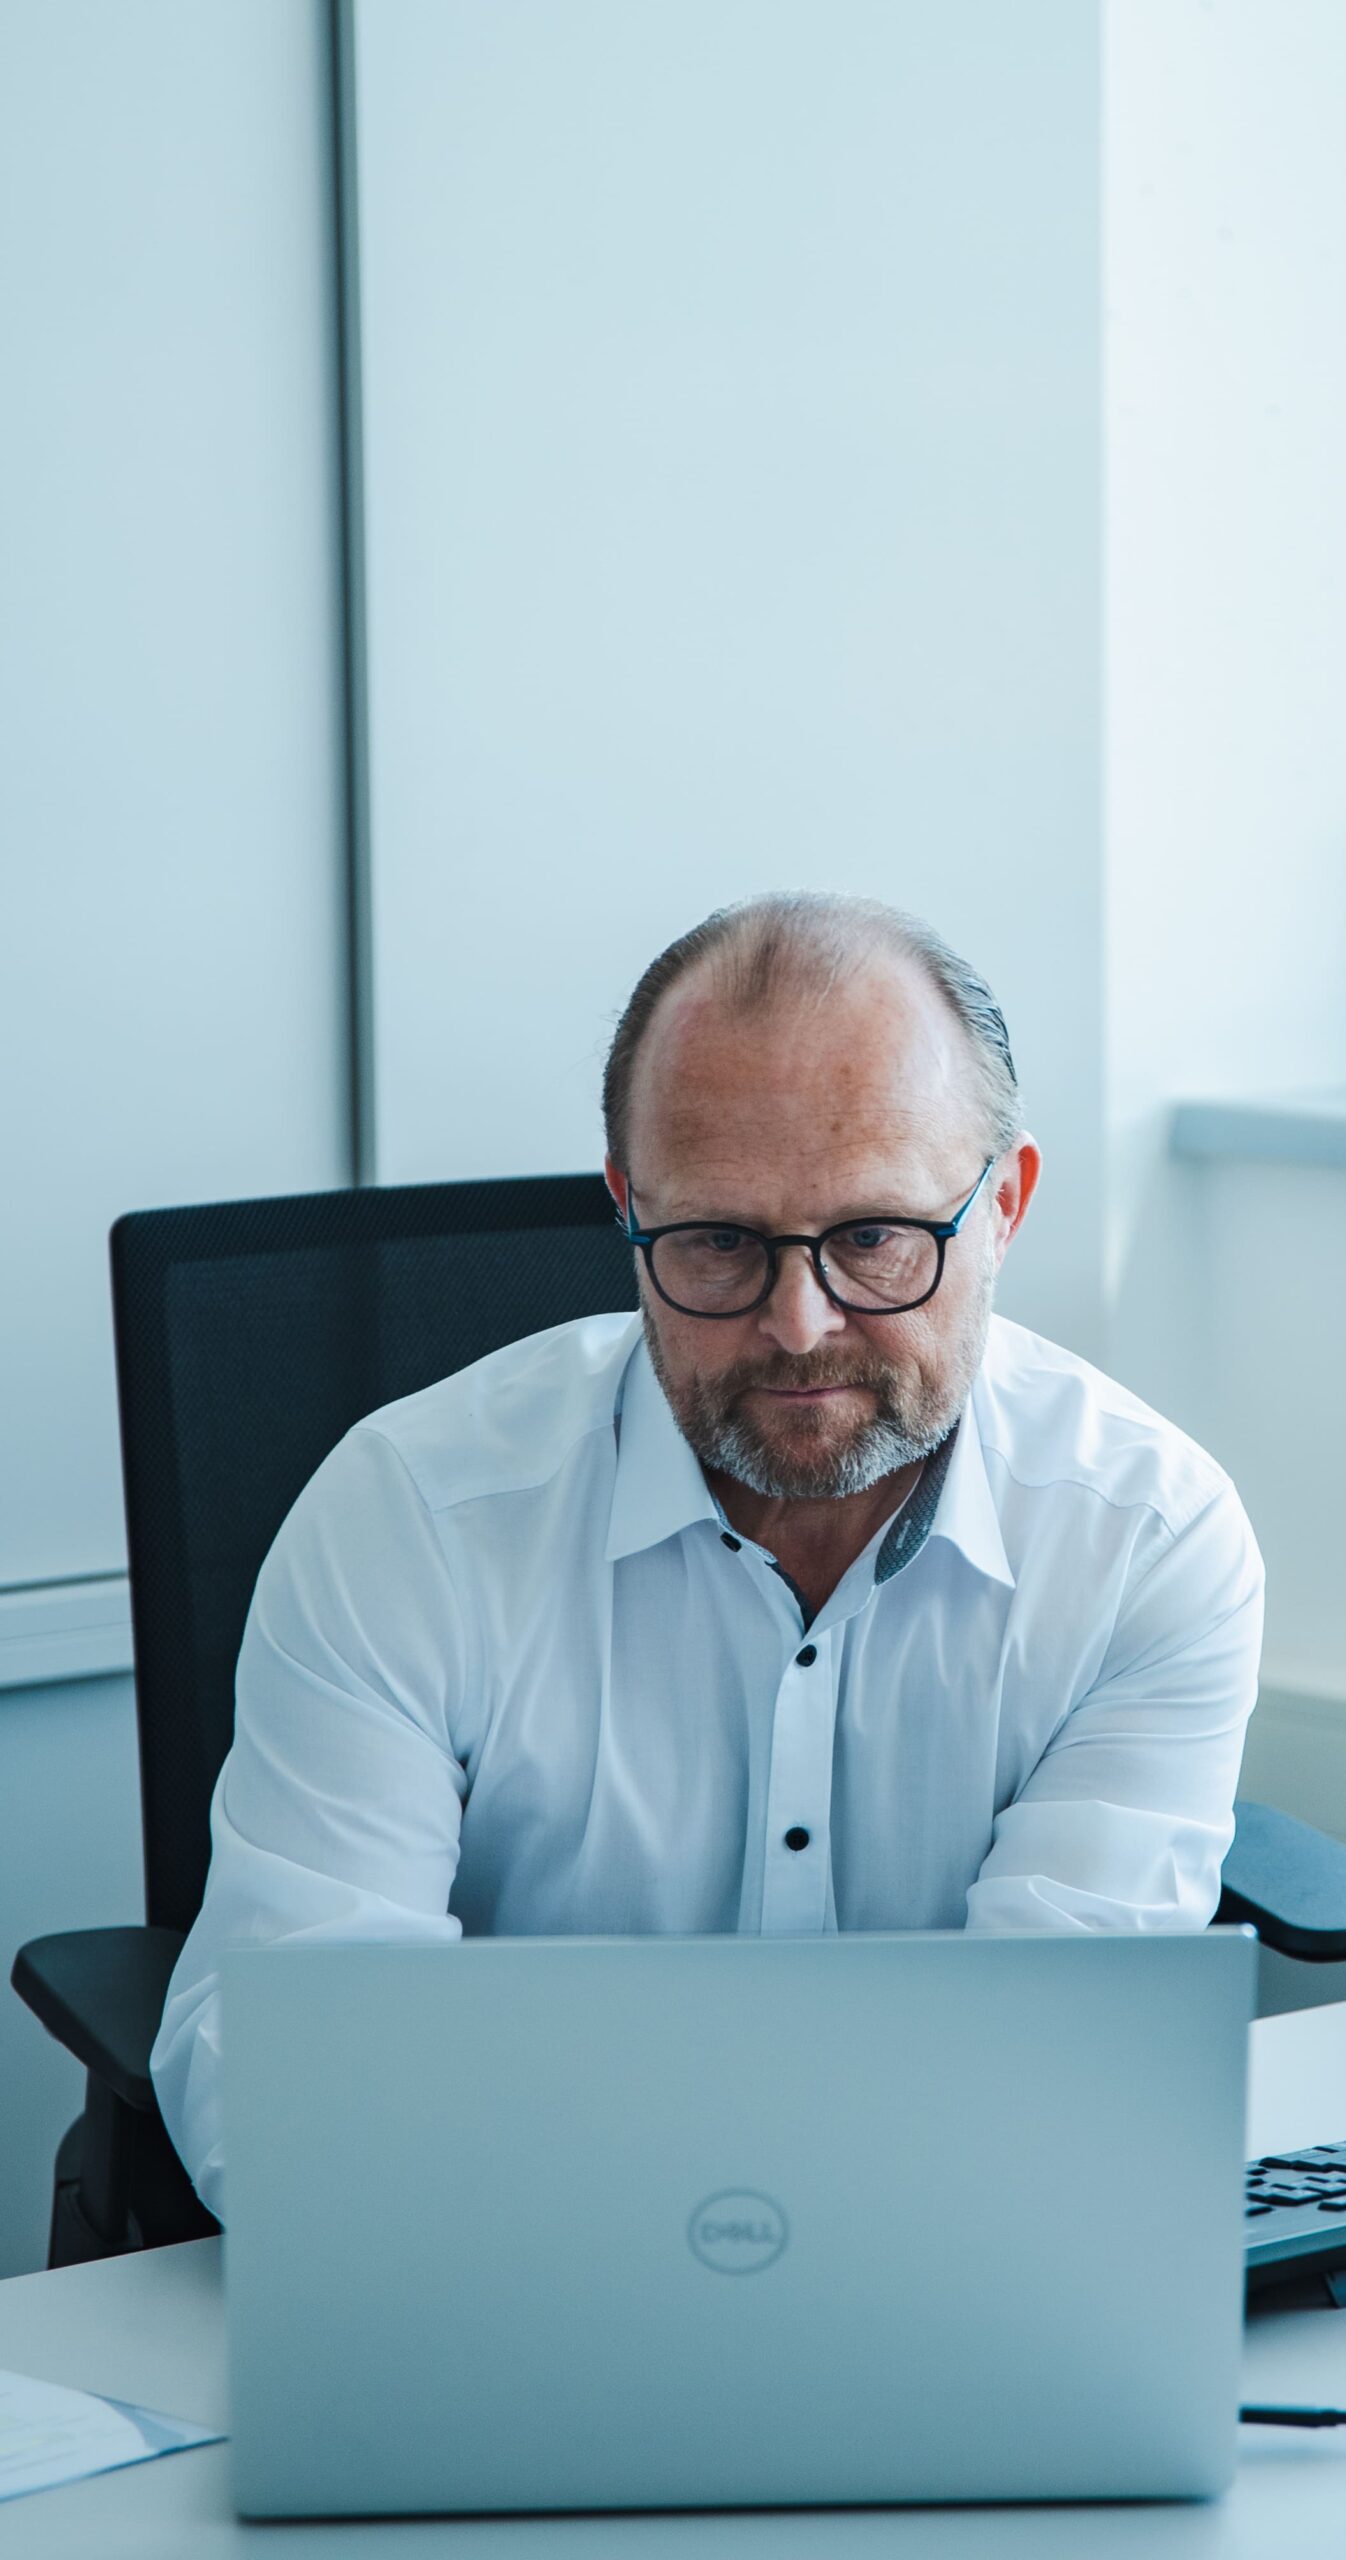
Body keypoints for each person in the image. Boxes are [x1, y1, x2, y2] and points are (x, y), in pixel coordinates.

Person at [152, 893, 1264, 2215]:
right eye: (721, 1244)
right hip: (509, 2280)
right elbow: (285, 2060)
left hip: (938, 2291)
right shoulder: (408, 1520)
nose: (800, 1325)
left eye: (873, 1238)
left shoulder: (1144, 1540)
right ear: (627, 1210)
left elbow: (1061, 2068)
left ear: (1005, 1205)